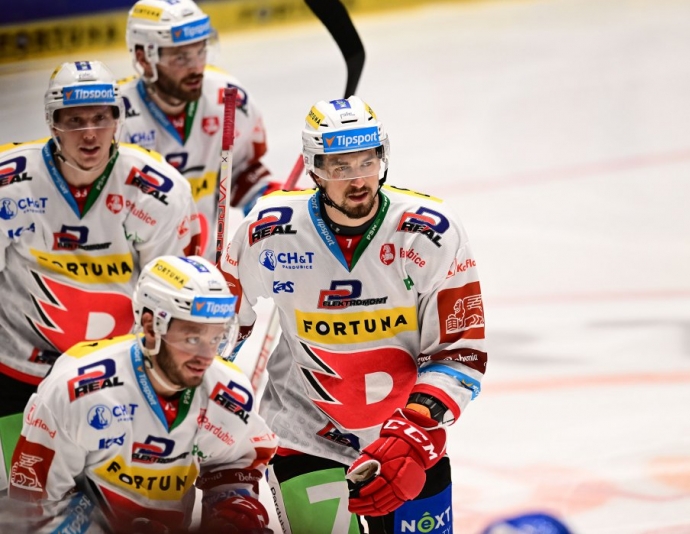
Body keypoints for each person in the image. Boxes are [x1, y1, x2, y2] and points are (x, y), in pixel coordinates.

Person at [221, 96, 487, 533]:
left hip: (407, 433)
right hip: (304, 434)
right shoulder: (270, 231)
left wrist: (413, 431)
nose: (358, 179)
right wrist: (201, 387)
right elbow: (221, 322)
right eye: (340, 166)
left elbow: (460, 353)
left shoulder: (428, 232)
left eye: (367, 161)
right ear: (314, 168)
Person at [7, 254, 278, 533]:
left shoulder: (227, 393)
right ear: (150, 326)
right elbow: (32, 503)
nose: (206, 356)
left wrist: (230, 507)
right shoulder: (77, 390)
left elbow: (233, 465)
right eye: (193, 338)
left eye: (216, 337)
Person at [0, 60, 200, 419]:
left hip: (118, 377)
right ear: (53, 123)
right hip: (17, 372)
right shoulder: (8, 183)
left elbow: (174, 295)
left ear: (118, 120)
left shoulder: (158, 192)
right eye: (75, 120)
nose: (90, 133)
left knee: (111, 476)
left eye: (101, 118)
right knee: (23, 477)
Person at [121, 0, 283, 261]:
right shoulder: (116, 117)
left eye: (200, 52)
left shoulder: (228, 99)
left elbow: (243, 176)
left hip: (206, 274)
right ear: (144, 59)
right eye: (181, 57)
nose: (197, 67)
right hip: (137, 277)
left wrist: (280, 207)